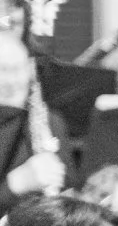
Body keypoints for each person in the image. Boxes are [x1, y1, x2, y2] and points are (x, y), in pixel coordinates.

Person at [0, 29, 68, 215]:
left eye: (18, 69)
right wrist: (15, 185)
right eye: (3, 70)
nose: (12, 81)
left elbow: (69, 193)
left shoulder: (51, 122)